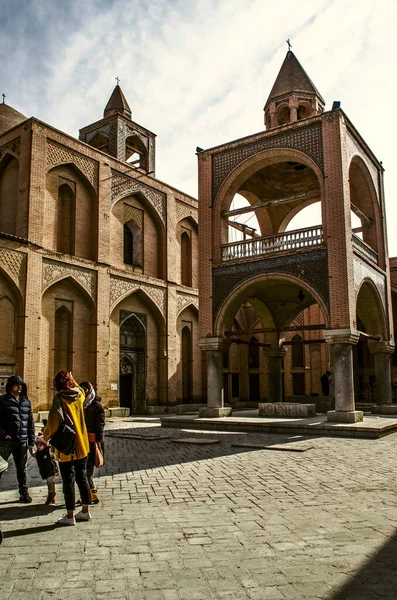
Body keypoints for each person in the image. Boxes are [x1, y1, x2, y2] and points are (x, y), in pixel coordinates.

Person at [43, 371, 91, 526]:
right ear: (70, 382)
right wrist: (73, 379)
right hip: (82, 445)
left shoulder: (59, 399)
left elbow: (53, 423)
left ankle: (70, 516)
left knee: (68, 481)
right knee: (82, 478)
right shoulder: (79, 395)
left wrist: (44, 435)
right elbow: (81, 389)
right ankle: (85, 511)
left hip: (67, 448)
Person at [0, 375, 35, 503]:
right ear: (10, 386)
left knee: (22, 468)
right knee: (0, 468)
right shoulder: (2, 401)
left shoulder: (26, 402)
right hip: (6, 442)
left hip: (22, 441)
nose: (19, 387)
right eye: (17, 384)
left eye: (21, 385)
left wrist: (31, 442)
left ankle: (24, 493)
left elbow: (30, 423)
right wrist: (3, 434)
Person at [79, 381, 105, 505]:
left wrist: (98, 443)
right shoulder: (81, 404)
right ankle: (90, 493)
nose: (84, 392)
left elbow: (100, 426)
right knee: (84, 469)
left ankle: (90, 494)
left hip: (92, 442)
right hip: (82, 441)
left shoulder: (96, 406)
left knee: (86, 469)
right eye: (82, 390)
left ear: (90, 390)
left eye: (85, 390)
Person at [33, 434, 57, 505]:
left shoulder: (48, 451)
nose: (38, 447)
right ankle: (53, 495)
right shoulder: (38, 453)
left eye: (40, 445)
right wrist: (30, 449)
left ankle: (51, 494)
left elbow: (53, 452)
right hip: (45, 471)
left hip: (51, 469)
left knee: (50, 481)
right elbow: (34, 455)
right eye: (37, 445)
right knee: (50, 482)